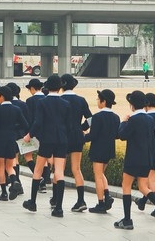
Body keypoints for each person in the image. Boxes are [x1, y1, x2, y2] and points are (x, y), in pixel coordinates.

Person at [21, 74, 72, 218]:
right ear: (60, 87)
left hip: (47, 140)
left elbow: (38, 123)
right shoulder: (66, 104)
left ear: (47, 87)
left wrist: (29, 135)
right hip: (61, 140)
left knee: (38, 170)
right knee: (59, 172)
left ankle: (32, 202)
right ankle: (59, 208)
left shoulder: (42, 103)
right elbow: (69, 126)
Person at [121, 91, 155, 231]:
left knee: (126, 186)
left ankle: (127, 220)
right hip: (146, 158)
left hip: (133, 158)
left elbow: (122, 135)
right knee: (143, 186)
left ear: (132, 105)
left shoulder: (133, 119)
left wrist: (123, 121)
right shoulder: (149, 119)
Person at [0, 85, 29, 201]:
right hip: (12, 138)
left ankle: (3, 193)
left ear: (1, 96)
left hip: (1, 139)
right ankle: (14, 181)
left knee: (1, 166)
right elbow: (25, 125)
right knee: (10, 165)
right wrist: (14, 128)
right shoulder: (17, 109)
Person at [84, 89, 119, 213]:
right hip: (109, 149)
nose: (98, 101)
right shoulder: (116, 117)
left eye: (99, 99)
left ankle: (101, 203)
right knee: (102, 174)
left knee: (98, 176)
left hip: (98, 149)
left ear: (103, 101)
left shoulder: (97, 117)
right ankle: (107, 195)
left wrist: (81, 138)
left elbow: (92, 135)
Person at [61, 73, 92, 212]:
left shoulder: (60, 100)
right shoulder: (81, 100)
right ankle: (81, 200)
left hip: (62, 137)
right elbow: (91, 119)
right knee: (76, 169)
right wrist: (81, 128)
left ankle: (56, 200)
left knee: (59, 169)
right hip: (77, 136)